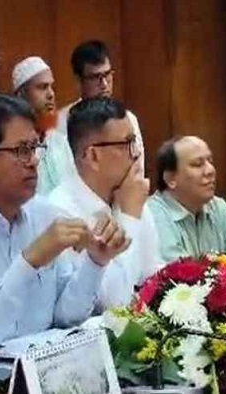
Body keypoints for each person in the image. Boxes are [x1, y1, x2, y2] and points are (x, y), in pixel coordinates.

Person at [0, 94, 129, 364]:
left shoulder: (43, 213)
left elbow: (65, 317)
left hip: (42, 369)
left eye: (35, 147)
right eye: (21, 151)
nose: (33, 161)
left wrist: (96, 262)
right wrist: (29, 261)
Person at [48, 97, 162, 307]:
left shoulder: (127, 194)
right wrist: (129, 216)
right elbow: (112, 302)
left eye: (135, 142)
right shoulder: (60, 212)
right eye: (127, 143)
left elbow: (152, 275)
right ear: (93, 156)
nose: (137, 153)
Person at [147, 136, 226, 264]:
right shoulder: (151, 215)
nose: (210, 170)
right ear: (170, 179)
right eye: (197, 164)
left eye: (210, 161)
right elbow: (178, 271)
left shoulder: (217, 206)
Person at [57, 40, 145, 171]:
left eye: (107, 75)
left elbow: (138, 168)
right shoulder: (61, 123)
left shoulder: (128, 119)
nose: (104, 84)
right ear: (79, 81)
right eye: (95, 77)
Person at [12, 56, 75, 194]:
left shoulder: (59, 141)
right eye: (42, 87)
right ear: (21, 94)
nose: (51, 94)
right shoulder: (12, 146)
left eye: (52, 87)